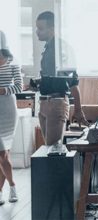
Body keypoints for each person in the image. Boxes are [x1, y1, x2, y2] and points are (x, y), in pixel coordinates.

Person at [35, 11, 89, 151]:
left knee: (54, 150)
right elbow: (50, 77)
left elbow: (73, 83)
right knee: (49, 149)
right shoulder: (48, 48)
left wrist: (78, 109)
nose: (37, 32)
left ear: (52, 29)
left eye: (40, 28)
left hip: (56, 103)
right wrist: (34, 83)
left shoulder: (61, 50)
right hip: (45, 103)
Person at [0, 30, 22, 205]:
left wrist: (3, 90)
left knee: (2, 153)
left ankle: (11, 187)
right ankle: (7, 188)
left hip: (8, 109)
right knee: (2, 154)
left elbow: (19, 87)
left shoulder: (13, 63)